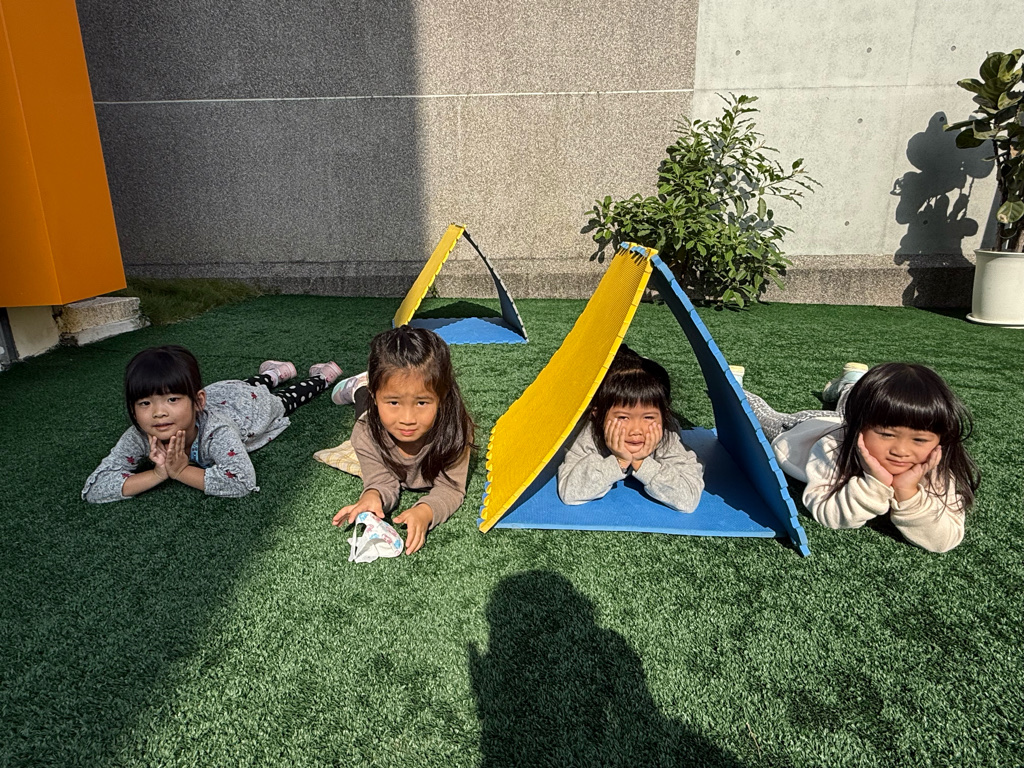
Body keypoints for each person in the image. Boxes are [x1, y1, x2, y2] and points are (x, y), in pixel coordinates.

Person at [744, 362, 979, 553]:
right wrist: (875, 484)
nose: (901, 450)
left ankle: (851, 382)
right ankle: (736, 388)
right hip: (804, 427)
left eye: (919, 439)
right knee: (764, 419)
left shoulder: (935, 465)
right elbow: (828, 513)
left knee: (855, 405)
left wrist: (907, 492)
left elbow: (944, 540)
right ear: (858, 429)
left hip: (854, 419)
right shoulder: (831, 447)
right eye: (887, 435)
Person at [83, 345, 341, 502]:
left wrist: (180, 471)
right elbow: (96, 487)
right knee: (248, 384)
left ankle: (322, 378)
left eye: (172, 399)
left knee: (284, 400)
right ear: (133, 408)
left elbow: (242, 482)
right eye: (145, 403)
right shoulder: (139, 434)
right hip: (222, 394)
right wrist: (158, 474)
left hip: (249, 408)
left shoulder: (217, 431)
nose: (158, 412)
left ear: (197, 402)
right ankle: (274, 373)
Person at [330, 326, 475, 554]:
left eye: (422, 402)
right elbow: (381, 480)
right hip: (371, 412)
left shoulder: (455, 430)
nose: (408, 419)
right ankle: (359, 387)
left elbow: (451, 488)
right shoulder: (365, 433)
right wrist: (372, 495)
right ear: (377, 396)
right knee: (362, 407)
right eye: (394, 402)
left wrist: (426, 512)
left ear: (442, 397)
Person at [557, 345, 704, 512]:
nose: (636, 430)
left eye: (648, 417)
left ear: (664, 415)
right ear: (597, 415)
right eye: (623, 418)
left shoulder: (665, 436)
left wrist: (642, 462)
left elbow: (688, 499)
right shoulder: (589, 434)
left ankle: (639, 363)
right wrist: (619, 461)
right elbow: (570, 492)